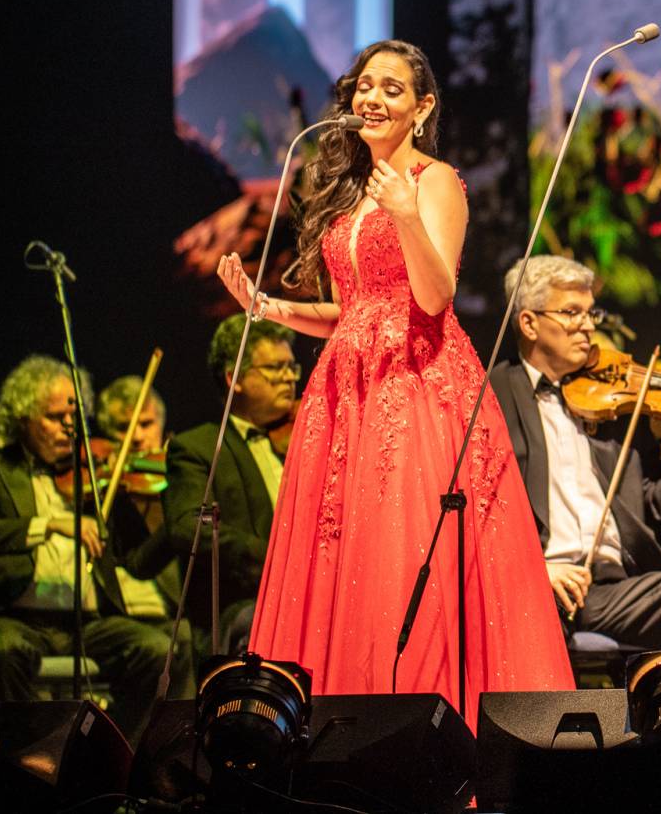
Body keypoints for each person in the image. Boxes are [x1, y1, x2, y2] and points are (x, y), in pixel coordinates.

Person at [215, 40, 571, 721]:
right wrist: (270, 308)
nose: (372, 99)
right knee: (338, 562)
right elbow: (356, 311)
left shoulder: (434, 181)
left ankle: (415, 734)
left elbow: (433, 297)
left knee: (400, 558)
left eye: (392, 89)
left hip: (414, 388)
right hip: (344, 391)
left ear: (422, 106)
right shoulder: (351, 193)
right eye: (364, 86)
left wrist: (407, 214)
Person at [486, 256, 661, 662]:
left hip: (614, 587)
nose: (589, 326)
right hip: (535, 583)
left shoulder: (613, 407)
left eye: (591, 312)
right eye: (572, 313)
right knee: (529, 615)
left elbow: (657, 506)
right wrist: (534, 568)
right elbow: (477, 512)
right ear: (528, 323)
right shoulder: (493, 396)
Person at [0, 356, 181, 736]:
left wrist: (153, 508)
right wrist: (49, 524)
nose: (68, 427)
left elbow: (135, 560)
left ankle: (114, 755)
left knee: (157, 651)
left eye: (73, 417)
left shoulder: (93, 470)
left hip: (86, 620)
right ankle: (22, 759)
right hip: (18, 616)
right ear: (22, 418)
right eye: (55, 418)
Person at [162, 315, 299, 654]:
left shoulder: (305, 440)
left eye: (292, 367)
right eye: (274, 368)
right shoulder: (199, 448)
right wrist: (269, 555)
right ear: (233, 377)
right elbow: (187, 527)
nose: (289, 378)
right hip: (242, 605)